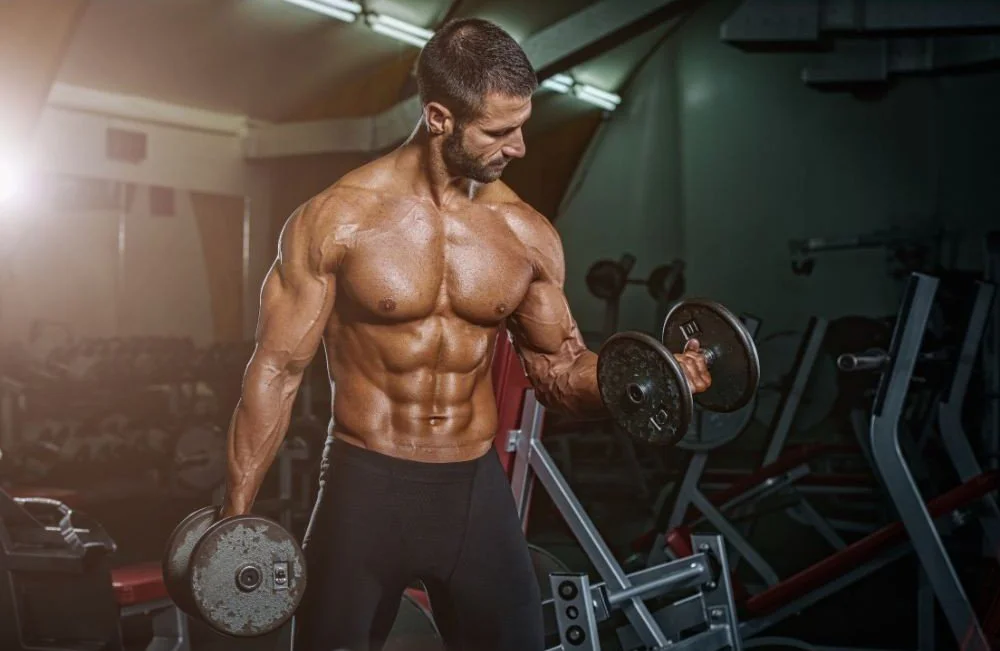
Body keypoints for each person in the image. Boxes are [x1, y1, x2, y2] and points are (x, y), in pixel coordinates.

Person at [219, 17, 712, 651]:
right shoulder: (337, 220)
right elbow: (277, 371)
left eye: (523, 126)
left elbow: (560, 374)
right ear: (439, 118)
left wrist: (650, 377)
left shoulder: (524, 233)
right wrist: (235, 517)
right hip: (364, 486)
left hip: (473, 495)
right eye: (499, 131)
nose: (520, 147)